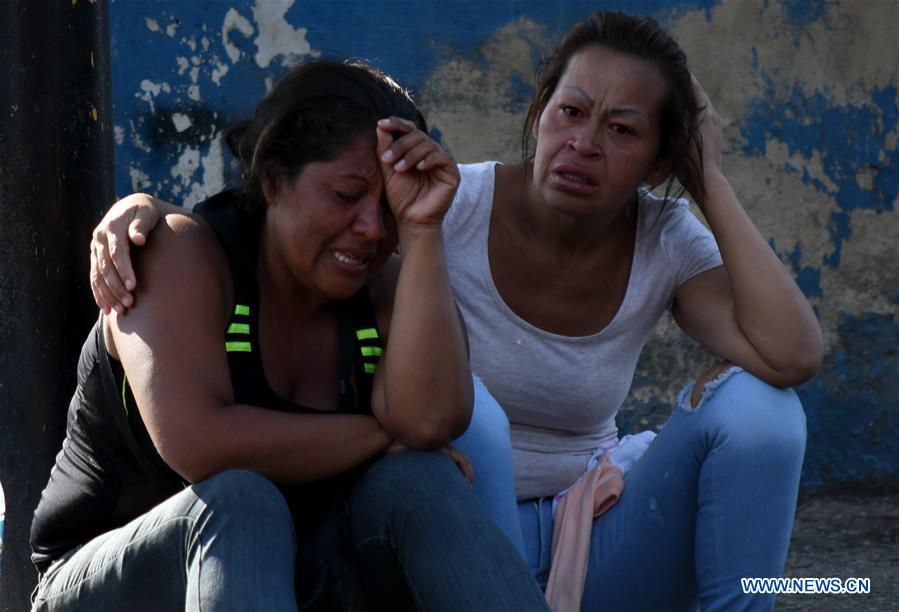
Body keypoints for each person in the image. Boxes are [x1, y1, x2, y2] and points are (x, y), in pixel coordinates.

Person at [89, 11, 825, 611]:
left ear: (659, 161)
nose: (583, 144)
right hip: (432, 528)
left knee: (765, 410)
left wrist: (709, 178)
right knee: (452, 410)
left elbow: (791, 354)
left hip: (583, 533)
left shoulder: (653, 235)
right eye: (569, 112)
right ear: (538, 115)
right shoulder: (432, 210)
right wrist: (143, 211)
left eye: (622, 130)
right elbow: (213, 416)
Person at [30, 59, 549, 612]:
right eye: (347, 196)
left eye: (390, 206)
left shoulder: (387, 287)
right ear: (274, 178)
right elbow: (200, 445)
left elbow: (428, 424)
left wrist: (422, 229)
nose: (373, 229)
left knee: (421, 479)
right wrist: (377, 436)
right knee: (240, 498)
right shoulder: (177, 253)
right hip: (104, 583)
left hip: (285, 577)